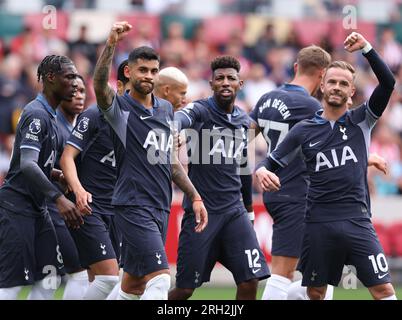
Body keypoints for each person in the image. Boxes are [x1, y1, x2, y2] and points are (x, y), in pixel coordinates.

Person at [255, 32, 397, 300]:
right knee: (316, 293)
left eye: (344, 83)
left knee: (384, 290)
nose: (337, 87)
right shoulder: (303, 130)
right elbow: (270, 161)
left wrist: (366, 48)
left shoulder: (361, 120)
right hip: (318, 222)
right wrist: (262, 170)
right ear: (322, 86)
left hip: (357, 220)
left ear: (351, 91)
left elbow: (388, 82)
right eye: (332, 81)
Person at [93, 21, 208, 300]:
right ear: (129, 72)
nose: (148, 76)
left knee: (133, 287)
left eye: (154, 71)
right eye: (142, 70)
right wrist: (110, 44)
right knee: (160, 280)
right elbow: (99, 85)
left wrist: (195, 196)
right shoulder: (119, 109)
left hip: (159, 206)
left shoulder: (166, 109)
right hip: (132, 205)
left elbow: (170, 162)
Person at [169, 55, 270, 300]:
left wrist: (248, 210)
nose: (225, 82)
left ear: (240, 84)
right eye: (220, 78)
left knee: (250, 280)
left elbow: (244, 169)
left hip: (234, 213)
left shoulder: (244, 122)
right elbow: (181, 117)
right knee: (184, 289)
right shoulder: (200, 110)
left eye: (231, 78)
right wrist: (175, 130)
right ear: (212, 83)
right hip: (202, 213)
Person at [250, 45, 332, 300]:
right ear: (322, 75)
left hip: (274, 191)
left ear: (296, 67)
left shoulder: (266, 98)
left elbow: (243, 139)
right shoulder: (310, 106)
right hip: (297, 193)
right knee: (283, 273)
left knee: (319, 272)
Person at [0, 55, 83, 300]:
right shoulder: (36, 114)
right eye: (69, 77)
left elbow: (39, 164)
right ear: (50, 78)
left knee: (49, 279)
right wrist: (59, 198)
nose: (75, 82)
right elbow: (26, 165)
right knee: (11, 284)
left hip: (38, 210)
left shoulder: (51, 117)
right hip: (17, 208)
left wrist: (58, 175)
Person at [59, 59, 132, 300]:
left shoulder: (141, 123)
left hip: (116, 209)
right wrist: (79, 190)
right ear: (119, 87)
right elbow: (67, 157)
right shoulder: (93, 115)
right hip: (89, 207)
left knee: (95, 278)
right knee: (109, 278)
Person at [46, 75, 88, 300]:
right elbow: (27, 163)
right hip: (51, 207)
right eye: (73, 91)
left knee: (47, 280)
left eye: (82, 91)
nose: (78, 95)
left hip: (69, 208)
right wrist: (60, 174)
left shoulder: (82, 125)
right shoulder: (50, 124)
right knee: (79, 272)